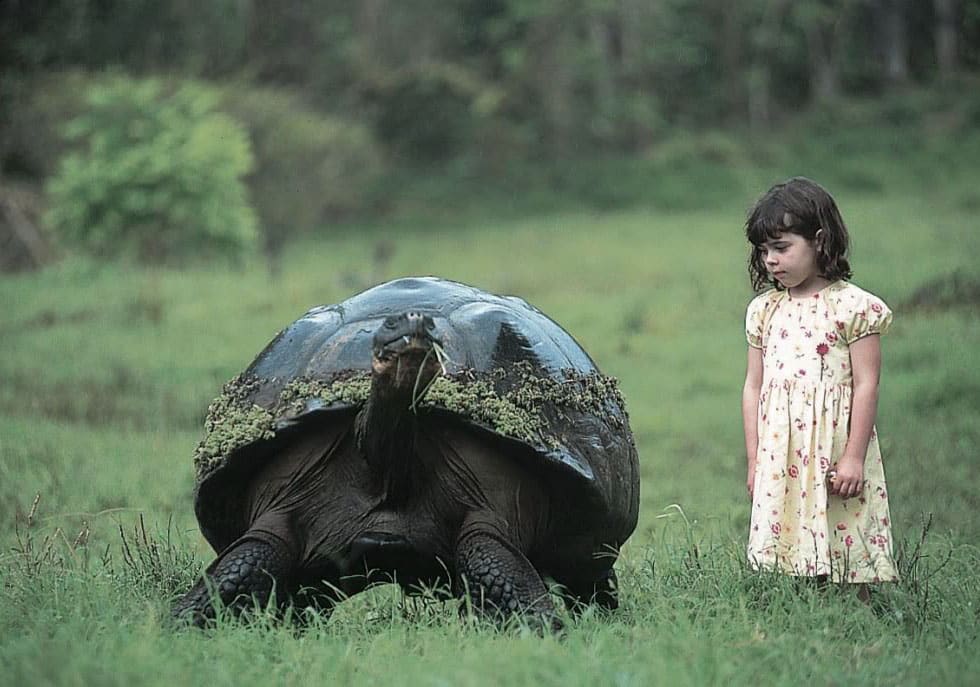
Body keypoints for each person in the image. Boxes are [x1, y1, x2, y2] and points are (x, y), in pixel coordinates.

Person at [741, 177, 898, 595]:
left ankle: (858, 610)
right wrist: (755, 457)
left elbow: (867, 385)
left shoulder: (853, 308)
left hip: (833, 442)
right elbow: (753, 386)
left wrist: (853, 457)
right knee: (790, 528)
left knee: (844, 526)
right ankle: (803, 606)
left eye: (782, 247)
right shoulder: (765, 311)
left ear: (820, 240)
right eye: (763, 251)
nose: (770, 260)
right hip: (782, 445)